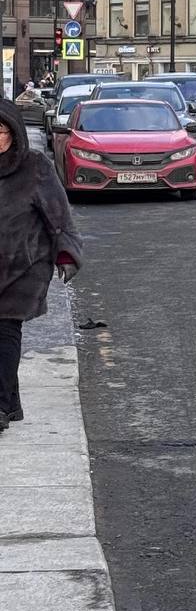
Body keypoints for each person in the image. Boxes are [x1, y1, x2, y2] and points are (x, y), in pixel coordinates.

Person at [0, 100, 82, 434]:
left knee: (6, 331)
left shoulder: (34, 166)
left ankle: (2, 407)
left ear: (14, 134)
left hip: (24, 264)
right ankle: (12, 403)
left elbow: (57, 212)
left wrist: (65, 253)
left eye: (1, 131)